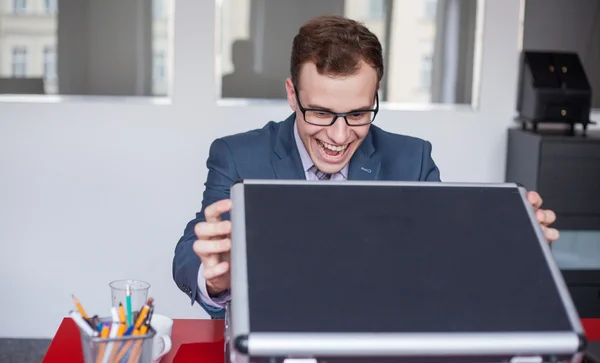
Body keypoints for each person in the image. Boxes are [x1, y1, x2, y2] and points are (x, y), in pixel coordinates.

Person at [172, 15, 559, 319]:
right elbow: (189, 252)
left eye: (358, 113)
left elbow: (446, 258)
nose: (339, 136)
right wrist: (216, 278)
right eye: (321, 113)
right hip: (273, 349)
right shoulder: (237, 155)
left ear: (375, 96)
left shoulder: (412, 159)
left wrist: (512, 247)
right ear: (292, 94)